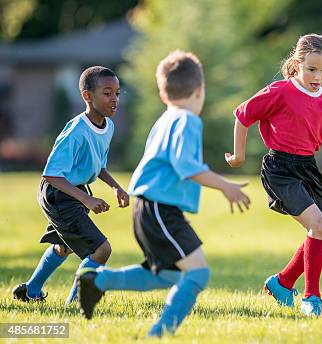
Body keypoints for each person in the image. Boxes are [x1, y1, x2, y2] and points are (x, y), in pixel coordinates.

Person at [77, 50, 250, 337]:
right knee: (198, 273)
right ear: (199, 90)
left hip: (148, 208)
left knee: (167, 275)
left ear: (163, 92)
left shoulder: (167, 118)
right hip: (159, 209)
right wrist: (226, 186)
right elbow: (186, 166)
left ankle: (98, 280)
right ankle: (159, 333)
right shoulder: (188, 121)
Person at [225, 34, 322, 316]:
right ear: (297, 64)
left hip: (308, 169)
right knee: (318, 227)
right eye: (311, 69)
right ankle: (312, 298)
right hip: (280, 169)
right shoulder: (280, 91)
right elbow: (243, 115)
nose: (318, 76)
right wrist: (238, 156)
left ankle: (281, 283)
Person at [12, 66, 128, 305]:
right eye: (107, 93)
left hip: (73, 192)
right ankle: (76, 303)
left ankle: (31, 290)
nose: (114, 99)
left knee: (62, 246)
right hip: (58, 193)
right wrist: (86, 199)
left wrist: (116, 187)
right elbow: (52, 175)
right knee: (102, 250)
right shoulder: (76, 131)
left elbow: (97, 165)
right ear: (87, 96)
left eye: (117, 93)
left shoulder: (108, 126)